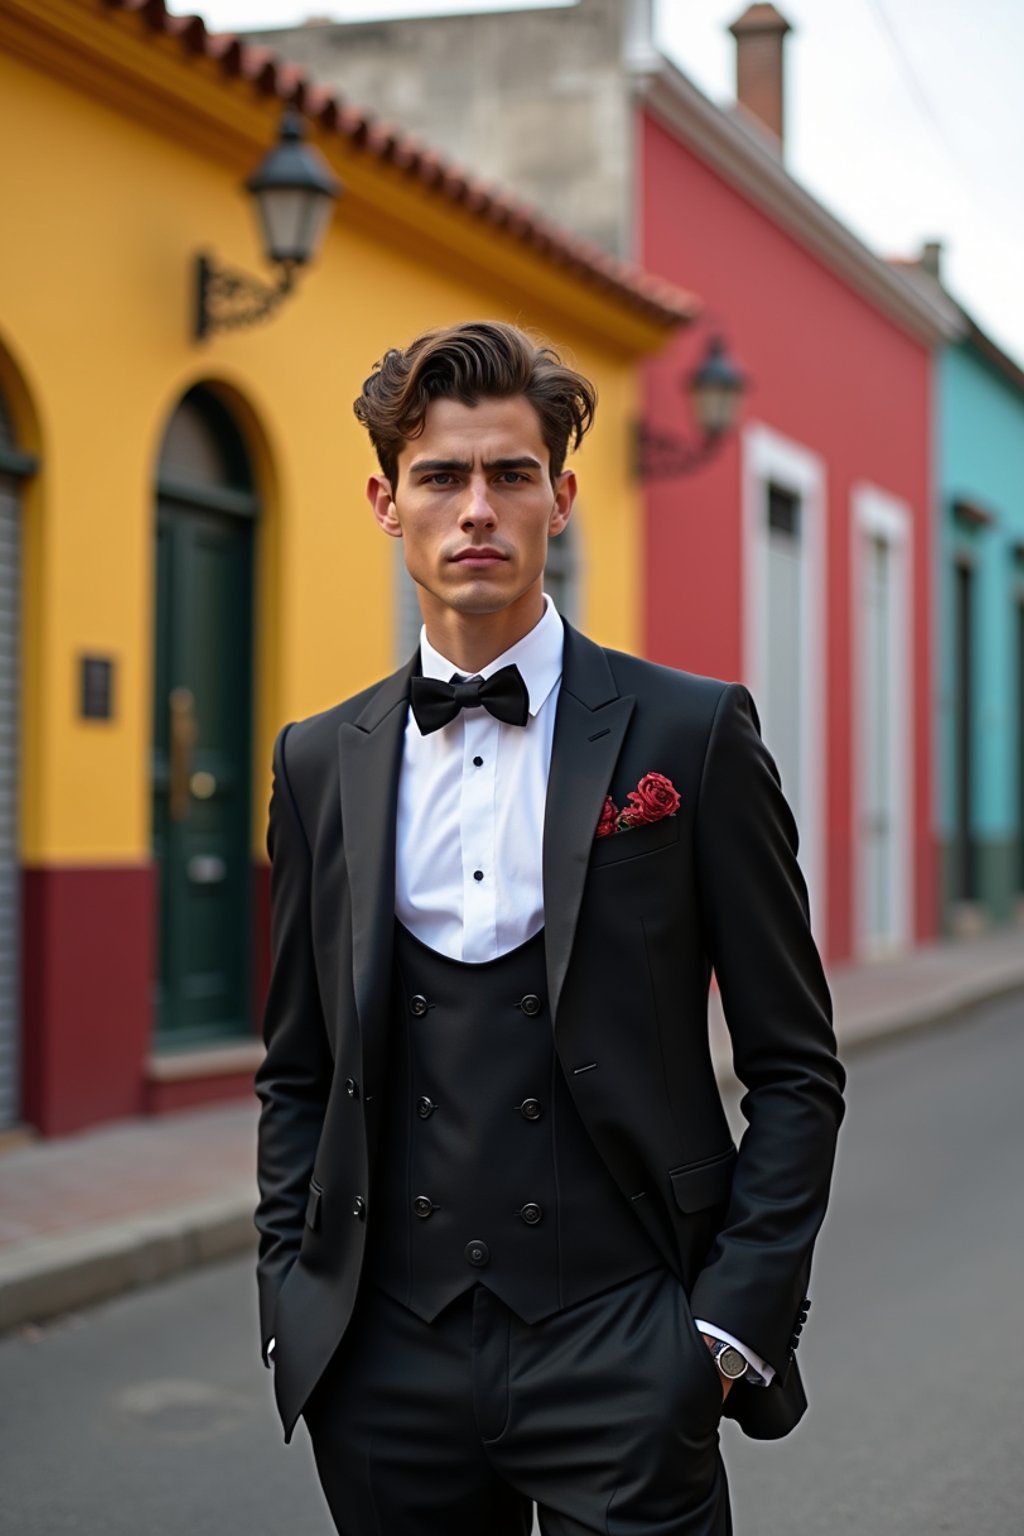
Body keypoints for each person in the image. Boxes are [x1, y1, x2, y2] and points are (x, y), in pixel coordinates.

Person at [255, 320, 845, 1535]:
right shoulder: (318, 763)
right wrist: (292, 1303)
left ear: (560, 498)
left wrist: (725, 1330)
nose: (476, 508)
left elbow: (796, 1069)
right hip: (387, 1369)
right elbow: (296, 1070)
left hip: (626, 1350)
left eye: (510, 475)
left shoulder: (689, 735)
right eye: (441, 476)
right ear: (386, 501)